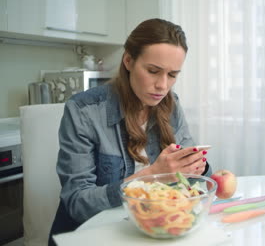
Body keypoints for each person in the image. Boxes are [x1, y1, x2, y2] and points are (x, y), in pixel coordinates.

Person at [48, 18, 211, 245]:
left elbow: (189, 183)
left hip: (145, 229)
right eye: (153, 71)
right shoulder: (83, 111)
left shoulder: (171, 103)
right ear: (128, 61)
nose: (163, 85)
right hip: (93, 234)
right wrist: (151, 174)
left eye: (172, 75)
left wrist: (195, 166)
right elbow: (77, 203)